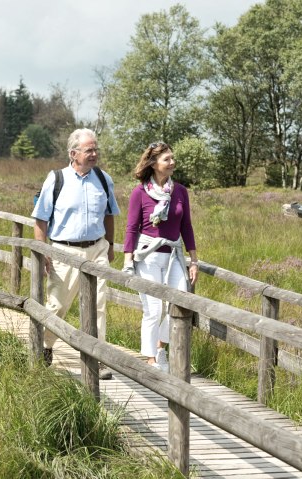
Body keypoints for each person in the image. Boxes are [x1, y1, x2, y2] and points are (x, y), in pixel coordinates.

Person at [31, 128, 120, 380]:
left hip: (97, 249)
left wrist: (110, 245)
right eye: (89, 150)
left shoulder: (103, 179)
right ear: (73, 153)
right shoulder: (57, 179)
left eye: (95, 149)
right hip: (64, 251)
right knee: (58, 304)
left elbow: (110, 214)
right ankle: (46, 347)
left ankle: (96, 357)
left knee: (98, 305)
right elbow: (40, 219)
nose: (94, 154)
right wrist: (43, 250)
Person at [122, 142, 198, 373]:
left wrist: (193, 261)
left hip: (173, 254)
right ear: (154, 164)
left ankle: (160, 346)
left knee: (181, 300)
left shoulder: (180, 192)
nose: (172, 162)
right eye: (167, 159)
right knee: (153, 309)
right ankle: (150, 359)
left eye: (172, 158)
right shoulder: (140, 192)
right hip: (148, 256)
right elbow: (131, 228)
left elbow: (187, 227)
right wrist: (127, 260)